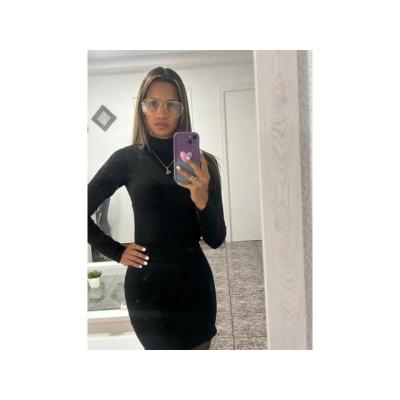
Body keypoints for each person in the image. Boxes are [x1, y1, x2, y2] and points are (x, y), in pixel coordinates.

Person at [88, 66, 226, 350]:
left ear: (182, 110)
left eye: (171, 104)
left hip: (194, 286)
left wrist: (201, 198)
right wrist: (116, 251)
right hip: (147, 291)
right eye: (153, 103)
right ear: (142, 108)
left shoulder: (205, 164)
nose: (161, 113)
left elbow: (216, 238)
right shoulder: (126, 159)